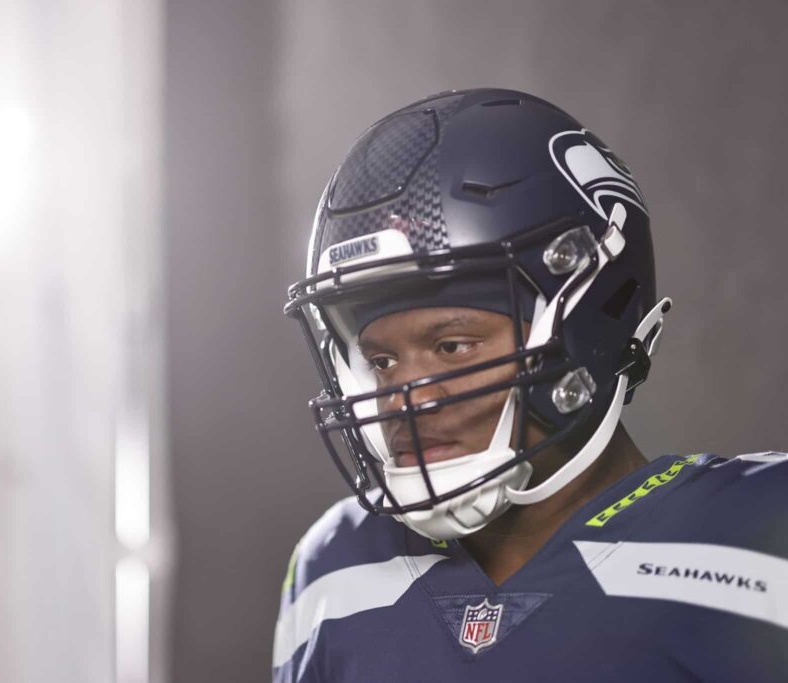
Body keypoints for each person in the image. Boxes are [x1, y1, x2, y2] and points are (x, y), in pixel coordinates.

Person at [274, 88, 788, 682]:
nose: (407, 395)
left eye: (451, 346)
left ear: (586, 324)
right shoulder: (335, 565)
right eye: (382, 360)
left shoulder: (761, 531)